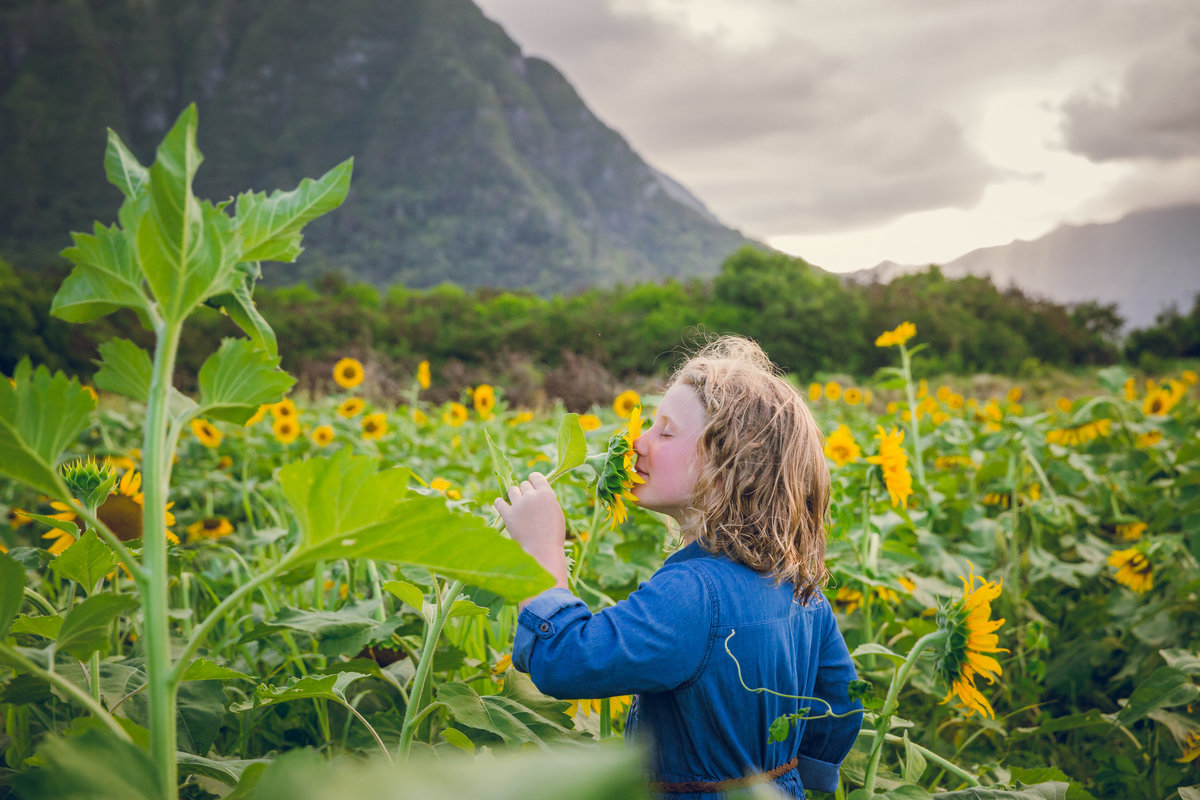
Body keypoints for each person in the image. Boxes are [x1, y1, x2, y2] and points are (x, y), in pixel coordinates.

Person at [494, 336, 862, 798]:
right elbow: (842, 705)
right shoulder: (802, 589)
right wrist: (796, 778)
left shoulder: (692, 594)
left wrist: (542, 549)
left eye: (665, 432)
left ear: (729, 464)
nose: (638, 443)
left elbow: (567, 662)